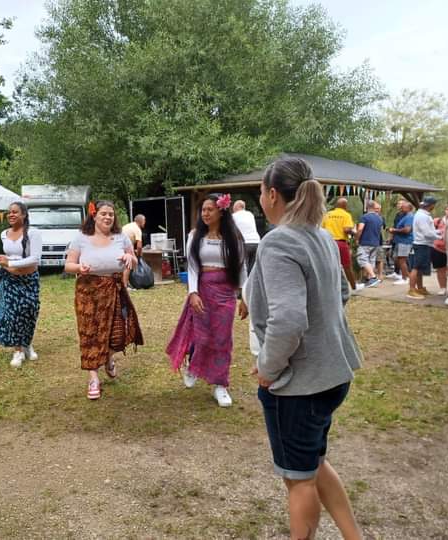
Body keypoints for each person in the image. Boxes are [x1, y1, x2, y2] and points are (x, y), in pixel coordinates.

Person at [245, 157, 363, 540]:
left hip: (300, 386)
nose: (261, 198)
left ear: (272, 194)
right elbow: (342, 293)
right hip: (333, 375)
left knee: (299, 480)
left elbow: (289, 320)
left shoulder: (279, 241)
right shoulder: (322, 236)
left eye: (260, 192)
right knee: (314, 463)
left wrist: (268, 368)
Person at [166, 193, 245, 407]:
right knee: (201, 335)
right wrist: (192, 292)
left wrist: (244, 296)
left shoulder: (234, 237)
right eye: (203, 210)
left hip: (226, 293)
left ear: (221, 211)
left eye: (210, 209)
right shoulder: (195, 236)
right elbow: (192, 266)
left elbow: (241, 267)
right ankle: (193, 366)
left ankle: (220, 384)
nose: (205, 213)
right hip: (202, 290)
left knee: (222, 339)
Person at [64, 200, 143, 400]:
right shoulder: (81, 238)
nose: (108, 217)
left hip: (115, 289)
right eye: (103, 214)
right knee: (90, 335)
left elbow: (134, 260)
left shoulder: (121, 237)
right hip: (88, 293)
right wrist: (79, 268)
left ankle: (107, 358)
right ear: (94, 215)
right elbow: (68, 265)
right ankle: (93, 378)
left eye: (111, 214)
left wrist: (130, 259)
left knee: (117, 335)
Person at [0, 202, 43, 367]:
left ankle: (27, 343)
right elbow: (9, 255)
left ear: (24, 215)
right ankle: (17, 350)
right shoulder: (4, 234)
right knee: (13, 313)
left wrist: (11, 263)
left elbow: (35, 258)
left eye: (15, 212)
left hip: (29, 279)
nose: (11, 215)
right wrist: (5, 262)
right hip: (9, 278)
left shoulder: (33, 233)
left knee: (30, 311)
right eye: (9, 212)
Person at [322, 198, 359, 290]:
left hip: (327, 242)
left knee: (328, 265)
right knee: (347, 266)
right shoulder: (346, 215)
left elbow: (321, 228)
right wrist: (354, 232)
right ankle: (354, 287)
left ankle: (327, 287)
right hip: (340, 243)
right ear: (345, 206)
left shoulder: (327, 214)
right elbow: (346, 229)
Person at [408, 196, 440, 299]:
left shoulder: (423, 215)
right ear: (431, 205)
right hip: (422, 244)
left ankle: (420, 288)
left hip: (424, 244)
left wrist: (439, 232)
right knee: (416, 267)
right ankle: (411, 290)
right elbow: (427, 233)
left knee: (420, 268)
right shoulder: (422, 216)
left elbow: (430, 230)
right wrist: (440, 237)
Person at [354, 200, 382, 288]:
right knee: (371, 260)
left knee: (362, 259)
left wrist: (357, 238)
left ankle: (373, 277)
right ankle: (370, 279)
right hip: (376, 242)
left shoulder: (364, 217)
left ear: (367, 207)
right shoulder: (379, 218)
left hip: (365, 242)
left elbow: (360, 229)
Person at [432, 203, 448, 295]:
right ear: (445, 211)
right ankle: (442, 288)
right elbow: (430, 231)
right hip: (438, 249)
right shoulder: (437, 221)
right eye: (447, 209)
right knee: (440, 269)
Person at [388, 201, 414, 285]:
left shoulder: (409, 217)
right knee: (399, 259)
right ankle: (406, 276)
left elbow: (407, 230)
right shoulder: (404, 216)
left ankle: (405, 278)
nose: (401, 208)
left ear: (409, 208)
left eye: (403, 207)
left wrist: (394, 230)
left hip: (405, 241)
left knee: (402, 260)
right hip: (400, 241)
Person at [231, 200, 260, 274]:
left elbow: (231, 230)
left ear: (237, 207)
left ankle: (245, 281)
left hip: (245, 243)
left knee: (244, 269)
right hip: (256, 242)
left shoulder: (234, 216)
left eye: (234, 207)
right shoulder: (250, 214)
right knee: (253, 269)